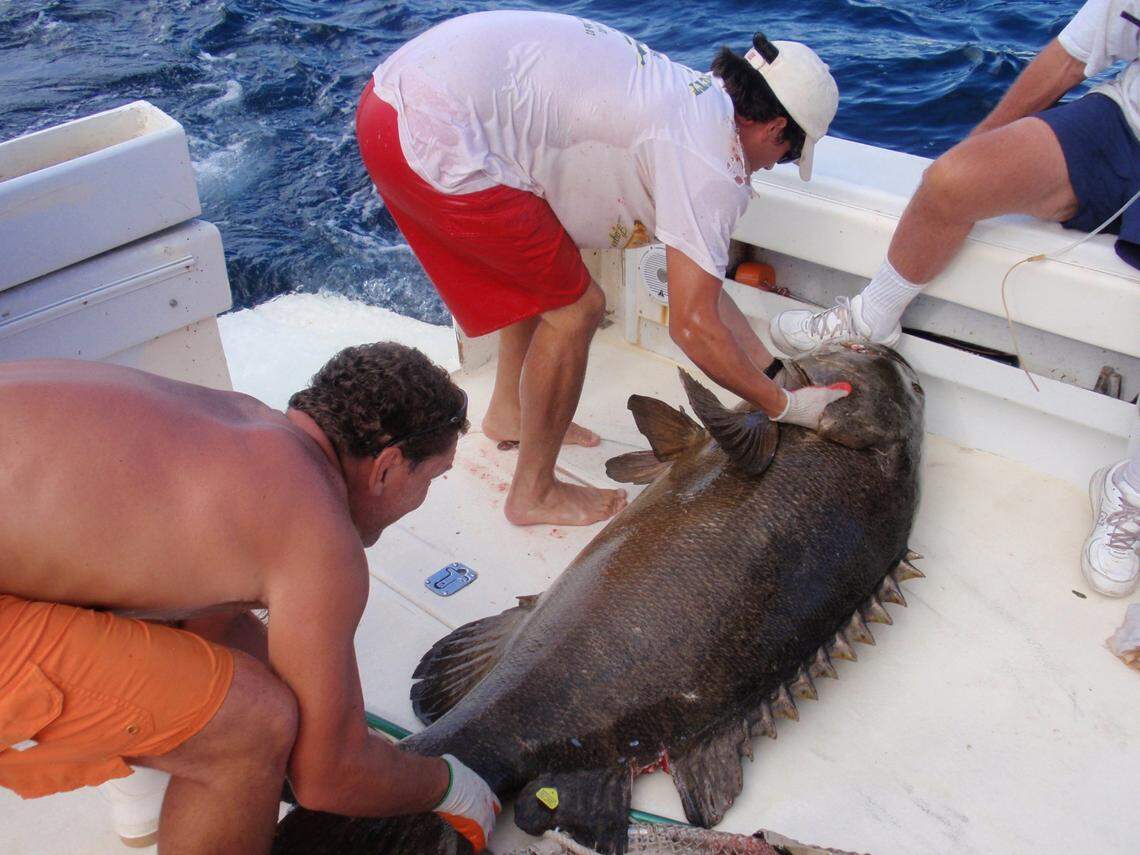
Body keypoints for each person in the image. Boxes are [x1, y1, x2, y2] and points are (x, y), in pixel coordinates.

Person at [357, 11, 851, 528]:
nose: (775, 166)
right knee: (576, 310)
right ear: (773, 127)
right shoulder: (709, 161)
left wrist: (772, 372)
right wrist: (784, 406)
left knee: (549, 263)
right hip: (427, 130)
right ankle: (534, 493)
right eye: (789, 153)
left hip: (395, 93)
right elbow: (694, 327)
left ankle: (510, 411)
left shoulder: (694, 100)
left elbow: (702, 290)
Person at [0, 345, 499, 854]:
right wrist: (450, 786)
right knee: (253, 723)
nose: (424, 500)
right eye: (430, 479)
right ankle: (197, 770)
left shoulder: (244, 429)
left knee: (231, 652)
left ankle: (147, 789)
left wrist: (327, 724)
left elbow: (209, 619)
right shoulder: (316, 532)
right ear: (388, 466)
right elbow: (328, 778)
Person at [767, 0, 1140, 595]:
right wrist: (977, 152)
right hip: (1123, 125)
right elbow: (1071, 57)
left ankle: (1132, 488)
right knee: (950, 181)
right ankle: (872, 318)